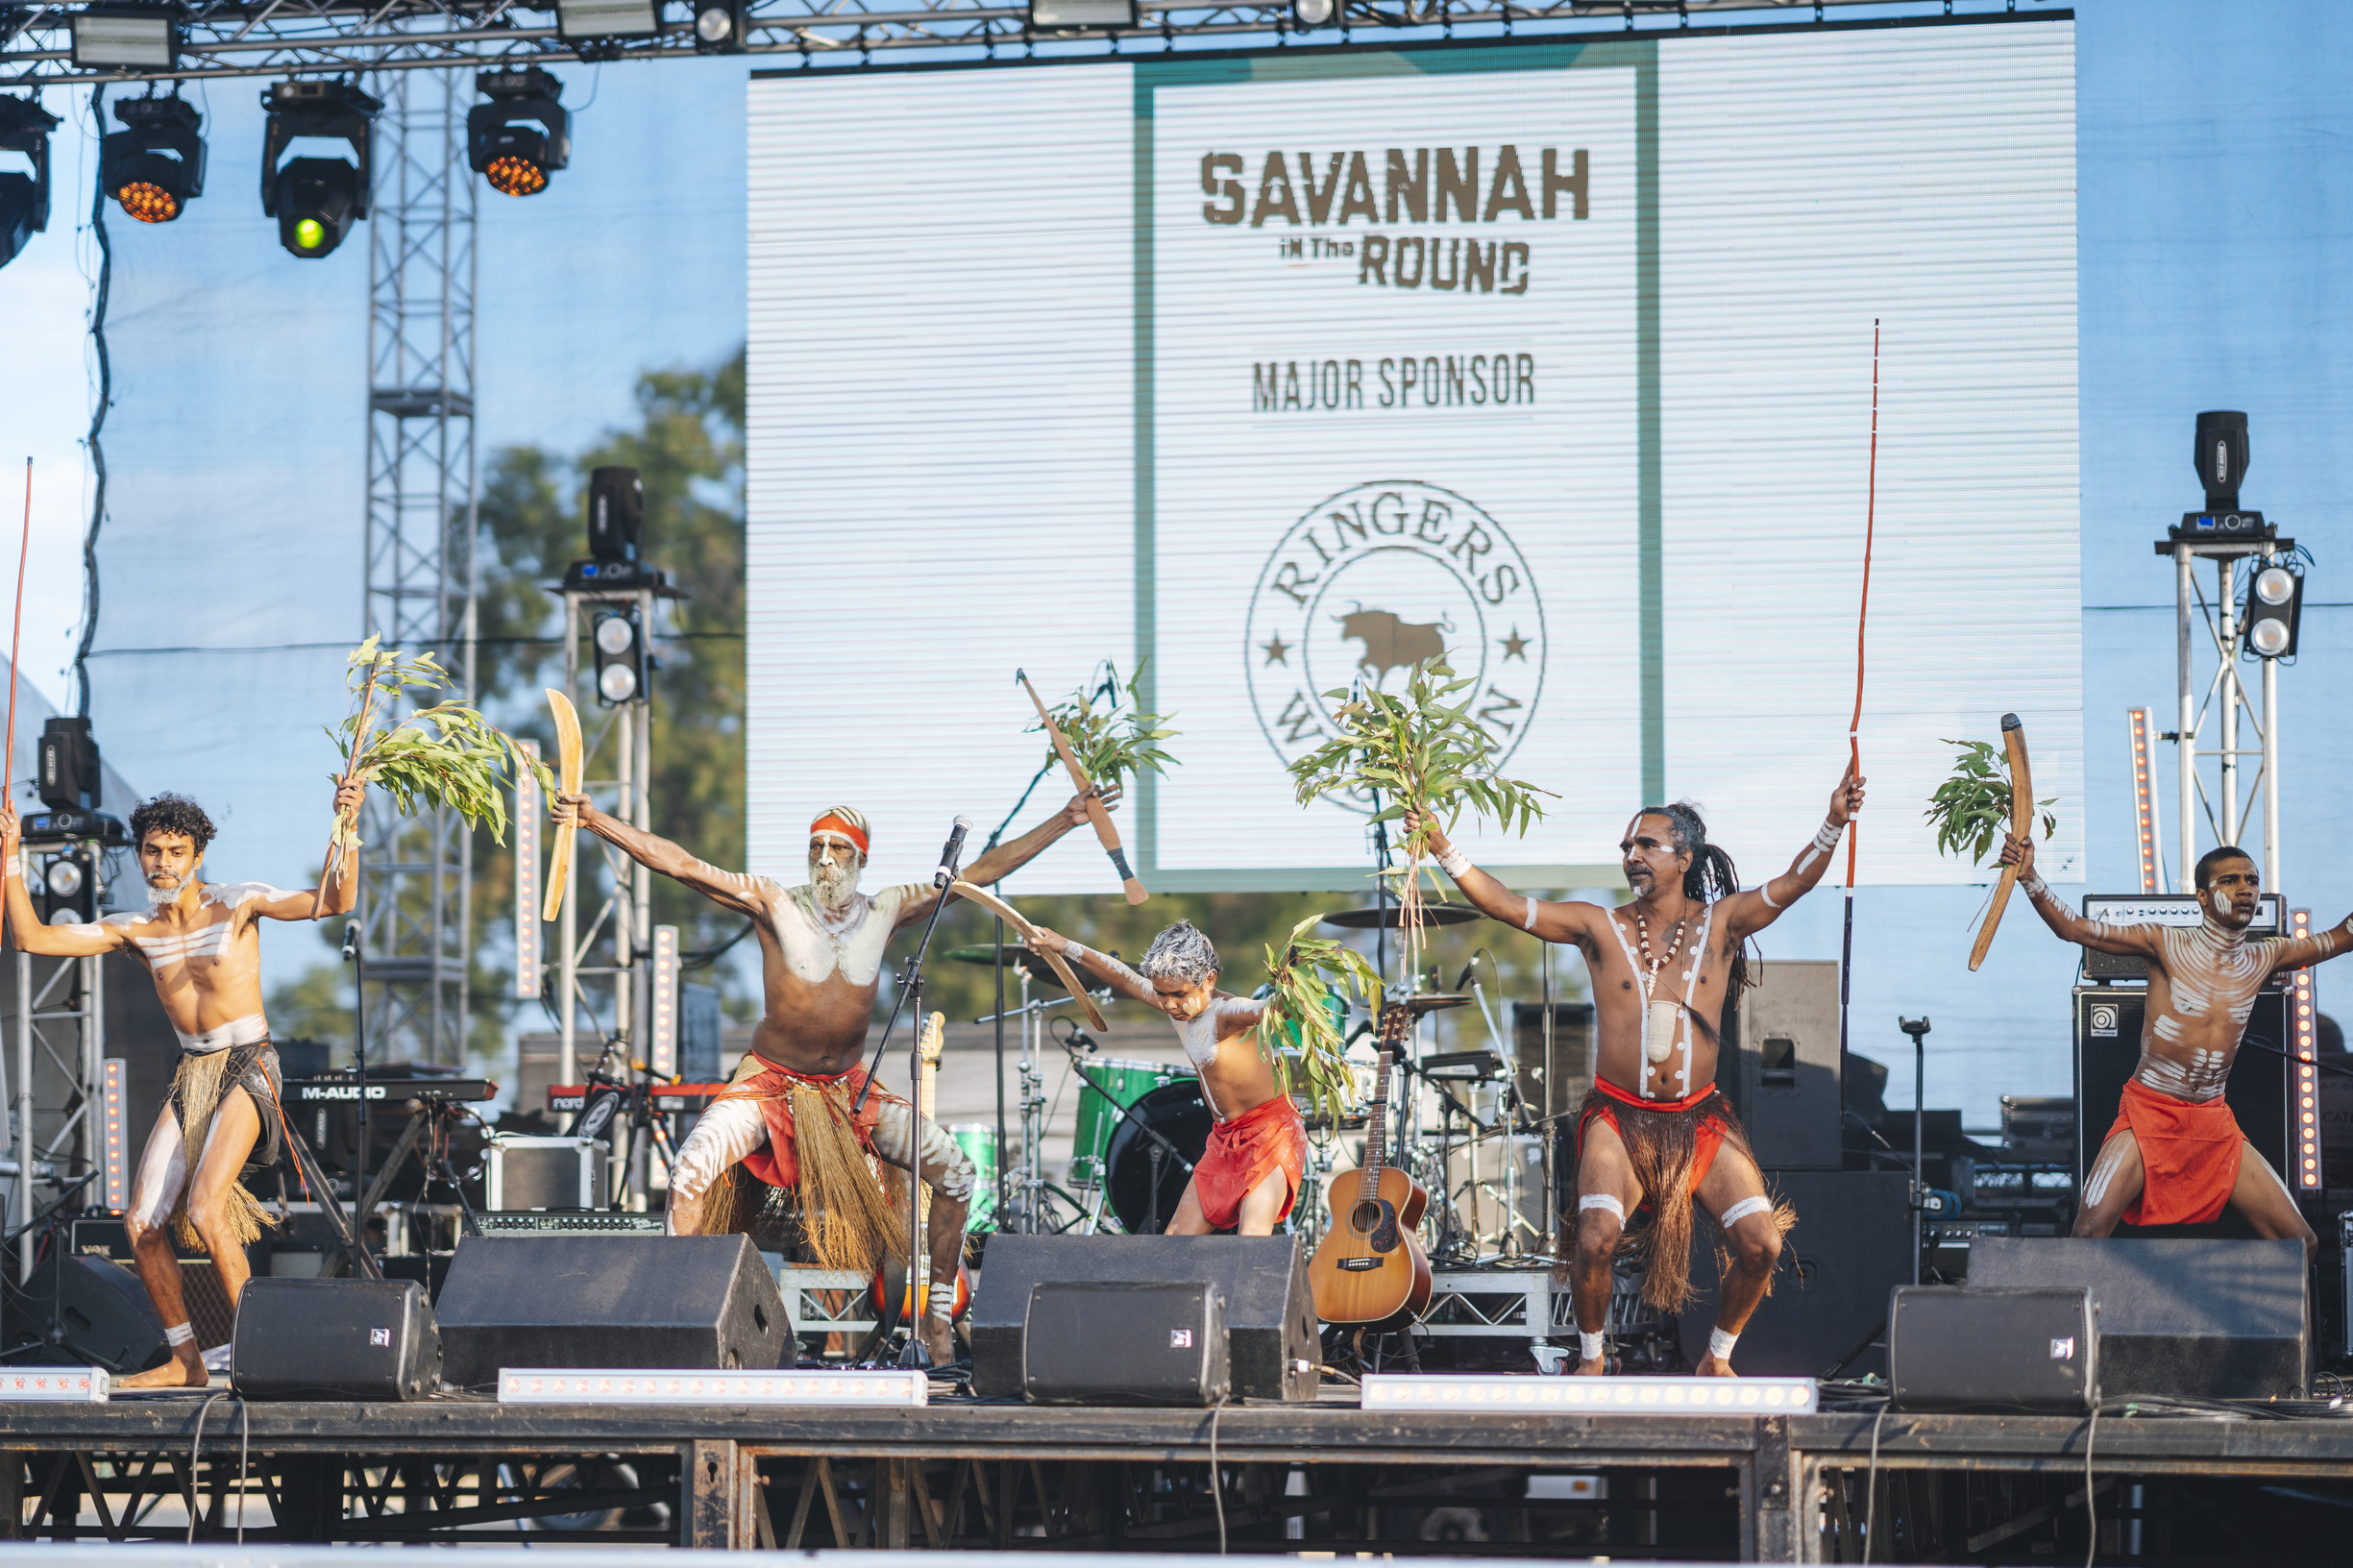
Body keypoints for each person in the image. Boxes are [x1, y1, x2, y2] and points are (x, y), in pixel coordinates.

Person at [551, 787, 1115, 1363]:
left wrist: (1065, 819)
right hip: (769, 1084)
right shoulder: (773, 901)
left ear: (861, 858)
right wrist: (597, 821)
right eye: (816, 846)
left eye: (838, 848)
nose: (824, 858)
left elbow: (981, 872)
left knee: (957, 1174)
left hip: (849, 1091)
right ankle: (684, 1323)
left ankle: (938, 1322)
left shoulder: (888, 908)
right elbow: (681, 865)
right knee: (688, 1174)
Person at [1410, 767, 1865, 1377]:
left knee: (1762, 1244)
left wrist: (1833, 823)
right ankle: (1593, 1358)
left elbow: (1794, 883)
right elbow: (1504, 905)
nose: (1632, 855)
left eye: (1647, 844)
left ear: (1684, 857)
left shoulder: (1722, 924)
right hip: (1618, 1117)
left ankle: (1717, 1359)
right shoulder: (1598, 926)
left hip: (1699, 1118)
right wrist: (1442, 845)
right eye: (1627, 846)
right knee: (1594, 1238)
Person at [1, 784, 363, 1388]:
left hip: (249, 1063)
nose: (163, 863)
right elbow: (31, 938)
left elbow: (333, 900)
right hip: (193, 1073)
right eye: (153, 850)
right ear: (140, 854)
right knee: (141, 1224)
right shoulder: (135, 929)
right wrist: (10, 855)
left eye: (176, 851)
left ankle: (264, 1353)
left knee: (204, 1206)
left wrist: (345, 826)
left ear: (197, 856)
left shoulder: (238, 903)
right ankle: (187, 1361)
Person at [2000, 834, 2350, 1260]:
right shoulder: (2164, 942)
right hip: (2151, 1112)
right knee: (2089, 1232)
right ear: (2202, 897)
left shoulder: (2265, 956)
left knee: (2301, 1242)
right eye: (2230, 880)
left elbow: (2340, 937)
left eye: (2252, 880)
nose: (2245, 889)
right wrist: (2030, 876)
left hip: (2213, 1122)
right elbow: (2072, 928)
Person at [1025, 920, 1308, 1237]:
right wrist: (1064, 946)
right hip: (1224, 1138)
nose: (1170, 1005)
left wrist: (1292, 989)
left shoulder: (1228, 1012)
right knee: (1175, 1240)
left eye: (1179, 994)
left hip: (1269, 1133)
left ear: (1209, 980)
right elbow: (1124, 977)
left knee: (1252, 1236)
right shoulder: (1178, 1006)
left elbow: (1270, 1009)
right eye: (1161, 994)